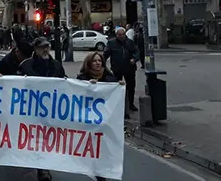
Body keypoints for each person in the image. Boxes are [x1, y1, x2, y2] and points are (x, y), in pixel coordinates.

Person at [18, 37, 67, 181]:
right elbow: (15, 85)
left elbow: (64, 83)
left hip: (50, 109)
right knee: (33, 138)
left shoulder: (56, 65)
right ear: (35, 49)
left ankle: (43, 168)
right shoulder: (26, 65)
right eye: (42, 47)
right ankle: (33, 162)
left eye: (47, 46)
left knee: (46, 139)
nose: (45, 49)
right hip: (30, 110)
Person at [76, 51, 120, 181]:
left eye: (99, 61)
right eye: (94, 61)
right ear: (89, 63)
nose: (97, 63)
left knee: (104, 148)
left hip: (105, 122)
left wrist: (120, 87)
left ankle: (101, 174)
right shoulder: (82, 79)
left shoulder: (110, 78)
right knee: (92, 148)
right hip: (89, 121)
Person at [104, 27, 140, 118]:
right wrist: (102, 63)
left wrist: (134, 59)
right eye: (119, 35)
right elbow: (106, 54)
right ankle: (118, 104)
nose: (121, 36)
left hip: (129, 68)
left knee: (131, 86)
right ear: (116, 35)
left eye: (123, 34)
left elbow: (136, 52)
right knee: (117, 87)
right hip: (117, 69)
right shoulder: (112, 43)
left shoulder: (129, 42)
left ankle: (130, 104)